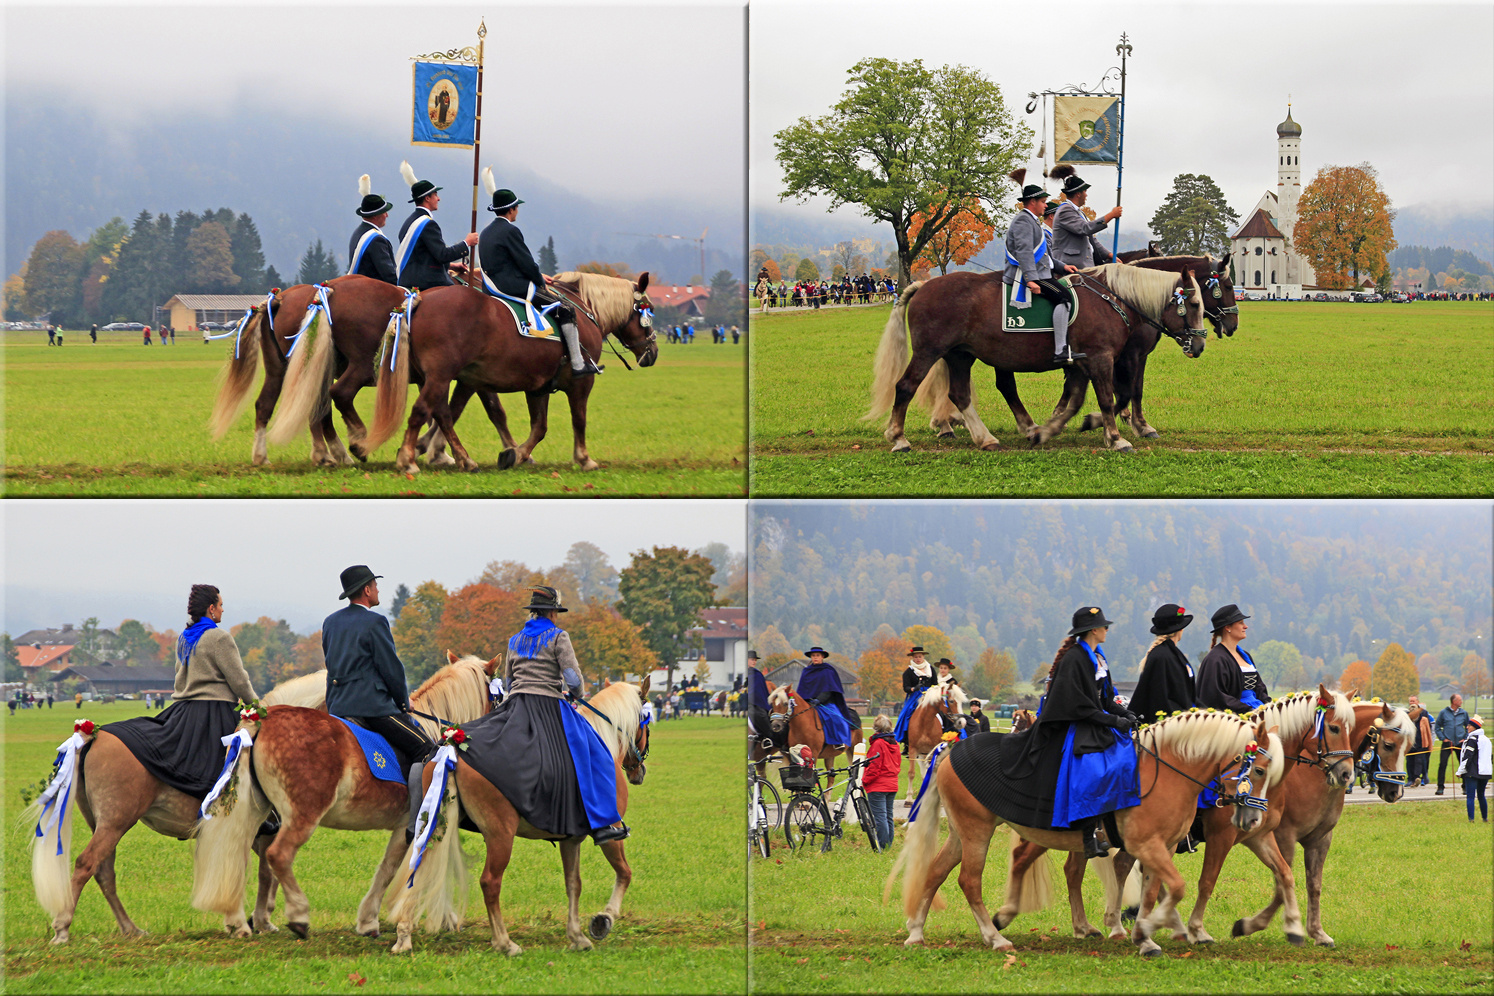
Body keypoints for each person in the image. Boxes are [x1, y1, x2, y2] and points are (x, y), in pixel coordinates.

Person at [453, 586, 629, 844]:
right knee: (595, 753)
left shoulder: (515, 640)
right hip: (550, 706)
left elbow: (509, 681)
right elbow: (572, 678)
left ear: (534, 610)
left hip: (515, 706)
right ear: (553, 613)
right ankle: (602, 823)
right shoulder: (559, 637)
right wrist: (577, 693)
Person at [100, 584, 260, 803]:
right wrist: (258, 707)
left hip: (183, 711)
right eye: (221, 605)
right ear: (211, 609)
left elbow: (179, 675)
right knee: (250, 761)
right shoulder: (220, 638)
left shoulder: (184, 638)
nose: (223, 610)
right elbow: (239, 681)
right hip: (216, 712)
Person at [322, 565, 435, 777]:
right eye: (375, 585)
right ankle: (421, 811)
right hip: (371, 709)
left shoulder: (330, 622)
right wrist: (403, 702)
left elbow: (332, 667)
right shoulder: (375, 622)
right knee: (426, 749)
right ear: (366, 590)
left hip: (338, 707)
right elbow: (391, 669)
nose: (378, 590)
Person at [478, 184, 601, 375]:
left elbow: (503, 263)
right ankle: (577, 364)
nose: (517, 211)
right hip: (513, 287)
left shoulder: (486, 231)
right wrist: (539, 281)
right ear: (511, 209)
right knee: (566, 310)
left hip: (490, 287)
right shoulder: (511, 231)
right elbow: (526, 263)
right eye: (516, 207)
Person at [1003, 169, 1083, 366]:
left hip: (1041, 272)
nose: (1046, 205)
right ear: (1033, 203)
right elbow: (1024, 252)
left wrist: (1064, 266)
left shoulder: (1032, 221)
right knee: (1063, 298)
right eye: (1043, 202)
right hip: (1032, 276)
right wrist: (1031, 279)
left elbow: (1045, 255)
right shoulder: (1023, 220)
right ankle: (1060, 350)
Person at [395, 160, 479, 292]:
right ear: (427, 198)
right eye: (435, 195)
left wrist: (451, 266)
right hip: (427, 281)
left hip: (407, 279)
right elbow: (442, 255)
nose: (438, 199)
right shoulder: (428, 224)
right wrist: (467, 242)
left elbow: (422, 257)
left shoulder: (409, 222)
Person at [1128, 604, 1199, 726]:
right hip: (1168, 727)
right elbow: (1160, 699)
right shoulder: (1162, 657)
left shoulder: (1171, 654)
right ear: (1180, 629)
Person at [1196, 604, 1270, 713]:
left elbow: (1260, 688)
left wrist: (1270, 707)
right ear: (1228, 627)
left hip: (1257, 710)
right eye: (1241, 623)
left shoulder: (1245, 656)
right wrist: (1248, 710)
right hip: (1235, 717)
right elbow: (1216, 696)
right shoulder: (1215, 659)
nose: (1246, 626)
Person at [1047, 165, 1121, 269]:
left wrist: (1108, 255)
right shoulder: (1065, 211)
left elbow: (1091, 239)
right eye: (1085, 191)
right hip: (1071, 266)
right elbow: (1086, 228)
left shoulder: (1078, 212)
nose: (1086, 195)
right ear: (1078, 194)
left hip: (1083, 265)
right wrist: (1111, 215)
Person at [795, 647, 855, 749]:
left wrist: (819, 700)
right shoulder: (806, 671)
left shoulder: (828, 671)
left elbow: (829, 689)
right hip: (807, 703)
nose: (815, 658)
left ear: (822, 657)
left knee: (835, 718)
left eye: (817, 655)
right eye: (813, 656)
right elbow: (802, 689)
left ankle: (838, 741)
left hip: (825, 703)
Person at [347, 175, 398, 284]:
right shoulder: (376, 240)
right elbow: (389, 275)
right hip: (374, 293)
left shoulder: (358, 232)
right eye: (384, 212)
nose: (387, 215)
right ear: (375, 216)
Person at [863, 715, 901, 849]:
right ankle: (888, 844)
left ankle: (883, 846)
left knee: (880, 818)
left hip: (878, 786)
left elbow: (874, 767)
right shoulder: (894, 743)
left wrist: (865, 781)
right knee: (888, 816)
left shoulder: (878, 744)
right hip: (892, 785)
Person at [893, 646, 936, 755]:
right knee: (906, 715)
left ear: (923, 657)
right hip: (915, 696)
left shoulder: (930, 669)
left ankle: (946, 734)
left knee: (944, 710)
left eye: (920, 657)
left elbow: (935, 684)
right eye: (916, 657)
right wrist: (914, 688)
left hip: (930, 695)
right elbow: (905, 688)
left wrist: (932, 691)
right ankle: (907, 742)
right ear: (913, 658)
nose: (918, 659)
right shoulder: (908, 672)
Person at [1457, 715, 1490, 821]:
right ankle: (1485, 818)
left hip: (1473, 771)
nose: (1467, 727)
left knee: (1470, 796)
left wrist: (1460, 771)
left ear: (1474, 727)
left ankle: (1471, 819)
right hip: (1485, 772)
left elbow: (1467, 757)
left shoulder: (1472, 739)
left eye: (1469, 725)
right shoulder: (1487, 740)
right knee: (1481, 795)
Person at [1435, 693, 1470, 795]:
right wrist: (1443, 738)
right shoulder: (1443, 713)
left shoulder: (1464, 713)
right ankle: (1440, 787)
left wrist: (1465, 738)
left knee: (1463, 765)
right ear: (1454, 701)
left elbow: (1468, 727)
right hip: (1447, 744)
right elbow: (1437, 727)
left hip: (1460, 744)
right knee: (1442, 765)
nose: (1461, 702)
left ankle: (1465, 787)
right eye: (1460, 700)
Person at [1407, 695, 1434, 787]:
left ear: (1417, 702)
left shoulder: (1424, 713)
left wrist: (1429, 742)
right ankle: (1410, 779)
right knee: (1409, 761)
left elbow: (1428, 728)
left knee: (1419, 761)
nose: (1412, 703)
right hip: (1410, 743)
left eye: (1413, 701)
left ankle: (1416, 778)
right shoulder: (1406, 713)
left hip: (1421, 742)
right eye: (1410, 701)